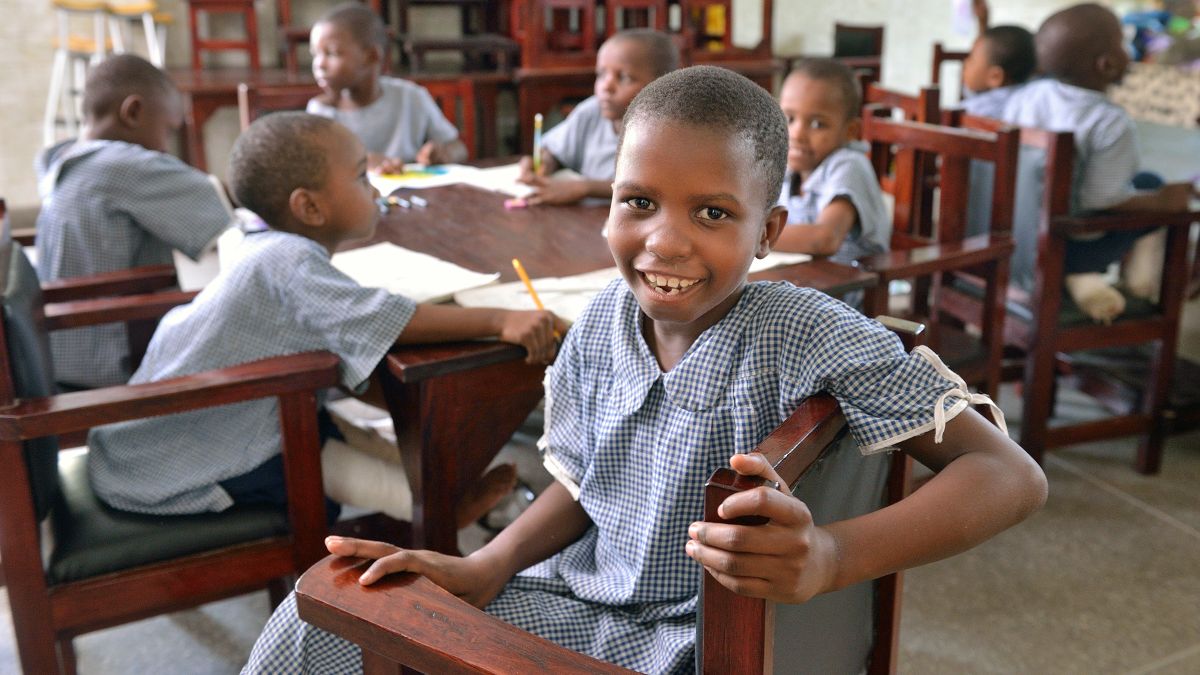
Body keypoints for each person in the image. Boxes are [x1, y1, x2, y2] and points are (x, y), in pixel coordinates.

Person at [242, 66, 1048, 674]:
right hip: (574, 597)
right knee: (315, 624)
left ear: (767, 231)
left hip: (692, 642)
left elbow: (1010, 477)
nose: (664, 241)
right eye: (638, 202)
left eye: (712, 212)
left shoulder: (805, 331)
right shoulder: (601, 321)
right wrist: (485, 565)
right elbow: (588, 478)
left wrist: (833, 555)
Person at [86, 112, 564, 531]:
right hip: (179, 459)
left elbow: (356, 317)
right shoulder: (287, 260)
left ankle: (437, 493)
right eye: (361, 177)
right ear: (309, 207)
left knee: (339, 428)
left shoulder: (267, 247)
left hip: (154, 438)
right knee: (318, 452)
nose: (375, 188)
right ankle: (433, 510)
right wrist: (502, 318)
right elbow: (383, 321)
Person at [34, 54, 233, 389]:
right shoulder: (119, 165)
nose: (166, 147)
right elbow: (217, 209)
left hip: (59, 352)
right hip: (111, 365)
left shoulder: (63, 159)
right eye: (167, 131)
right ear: (134, 112)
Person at [1000, 3, 1194, 323]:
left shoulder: (1028, 96)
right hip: (1065, 248)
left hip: (1014, 240)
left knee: (1145, 180)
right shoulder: (1109, 122)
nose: (1129, 49)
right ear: (1106, 64)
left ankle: (1102, 278)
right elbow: (1101, 200)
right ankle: (1108, 281)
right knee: (1163, 197)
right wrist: (1166, 200)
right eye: (1123, 41)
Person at [516, 28, 679, 205]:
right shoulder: (592, 111)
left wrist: (585, 188)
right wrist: (543, 164)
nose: (606, 87)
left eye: (623, 77)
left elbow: (655, 187)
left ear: (662, 84)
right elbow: (554, 150)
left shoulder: (672, 131)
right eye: (601, 74)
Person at [306, 3, 466, 173]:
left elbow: (458, 147)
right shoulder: (320, 112)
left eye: (332, 53)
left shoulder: (411, 97)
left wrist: (445, 153)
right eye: (315, 54)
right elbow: (315, 169)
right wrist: (362, 164)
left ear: (371, 56)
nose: (319, 64)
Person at [772, 58, 889, 268]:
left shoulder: (849, 165)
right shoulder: (788, 168)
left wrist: (749, 237)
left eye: (818, 124)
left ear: (850, 131)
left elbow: (825, 239)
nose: (797, 134)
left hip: (845, 291)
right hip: (801, 280)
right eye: (789, 118)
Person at [960, 23, 1037, 118]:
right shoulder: (1032, 99)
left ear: (995, 77)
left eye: (971, 59)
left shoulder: (972, 111)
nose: (965, 62)